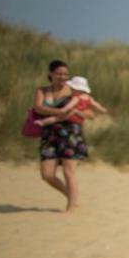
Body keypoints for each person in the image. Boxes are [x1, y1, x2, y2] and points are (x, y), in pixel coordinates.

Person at [32, 60, 87, 212]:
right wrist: (60, 112)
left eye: (65, 74)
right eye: (59, 73)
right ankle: (70, 195)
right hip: (49, 134)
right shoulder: (42, 90)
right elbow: (38, 108)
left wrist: (71, 113)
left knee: (69, 172)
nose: (63, 77)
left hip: (71, 134)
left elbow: (87, 108)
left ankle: (70, 208)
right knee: (47, 174)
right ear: (51, 74)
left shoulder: (73, 90)